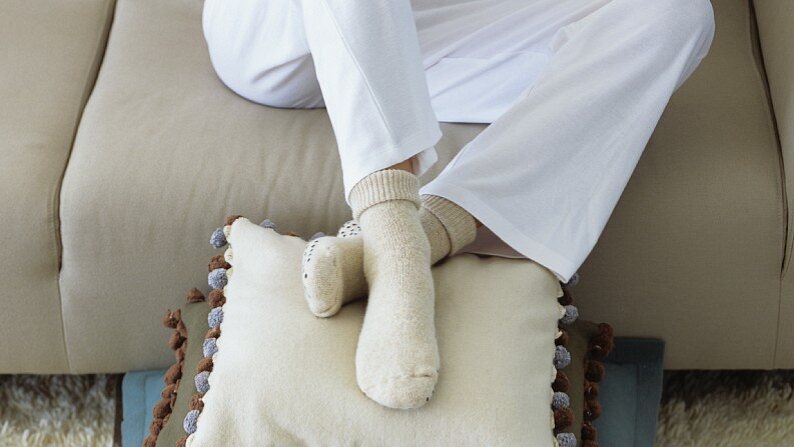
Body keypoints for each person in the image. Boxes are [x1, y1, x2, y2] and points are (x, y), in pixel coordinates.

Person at [203, 0, 715, 409]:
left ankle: (425, 236)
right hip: (273, 30)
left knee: (676, 15)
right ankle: (396, 242)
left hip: (416, 33)